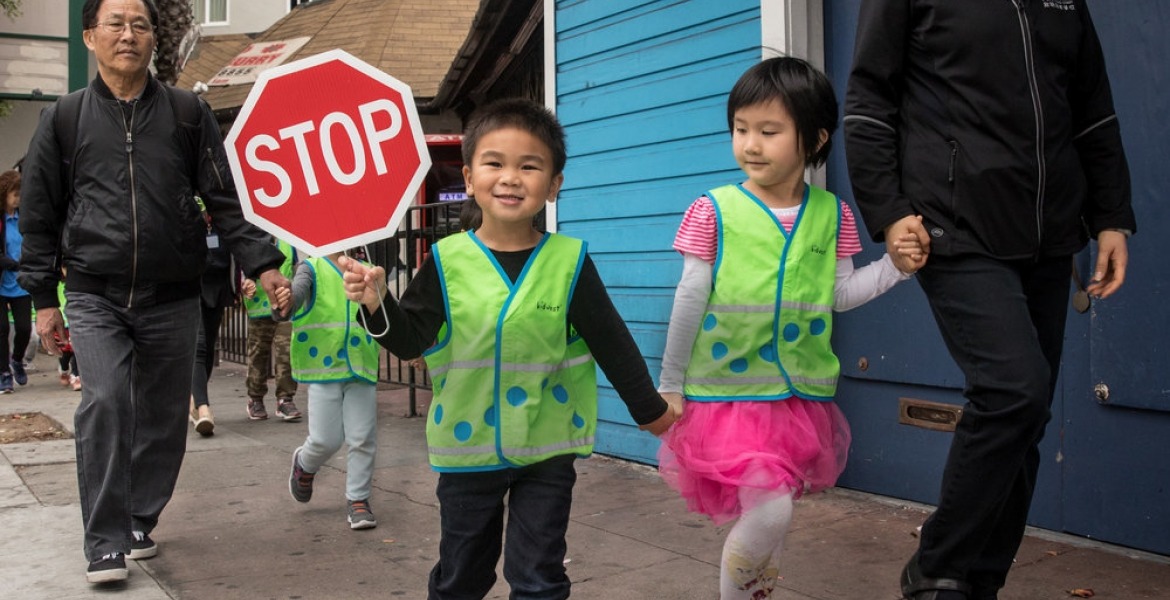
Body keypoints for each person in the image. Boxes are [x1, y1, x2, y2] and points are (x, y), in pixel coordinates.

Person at [843, 2, 1135, 599]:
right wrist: (890, 210)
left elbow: (1092, 109)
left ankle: (975, 583)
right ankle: (936, 569)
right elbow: (870, 99)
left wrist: (1110, 216)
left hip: (1049, 234)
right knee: (1013, 390)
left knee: (1026, 416)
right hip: (952, 224)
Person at [340, 97, 682, 600]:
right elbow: (408, 339)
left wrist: (649, 411)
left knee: (540, 578)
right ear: (470, 177)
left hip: (548, 448)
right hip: (467, 450)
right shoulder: (446, 261)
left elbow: (611, 340)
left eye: (529, 166)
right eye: (495, 163)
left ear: (554, 184)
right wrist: (375, 302)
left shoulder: (569, 261)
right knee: (462, 577)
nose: (510, 178)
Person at [17, 0, 290, 584]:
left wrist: (263, 262)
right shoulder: (64, 118)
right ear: (89, 36)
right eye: (115, 23)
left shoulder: (188, 114)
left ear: (153, 39)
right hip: (94, 292)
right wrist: (43, 300)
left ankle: (139, 517)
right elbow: (40, 215)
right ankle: (104, 539)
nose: (128, 34)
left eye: (139, 24)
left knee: (165, 418)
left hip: (173, 293)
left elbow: (225, 199)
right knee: (105, 401)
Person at [654, 57, 922, 600]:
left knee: (772, 520)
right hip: (728, 397)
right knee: (771, 512)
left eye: (768, 131)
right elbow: (689, 298)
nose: (750, 144)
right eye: (741, 129)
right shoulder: (713, 210)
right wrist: (670, 382)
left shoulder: (832, 213)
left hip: (794, 401)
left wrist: (896, 268)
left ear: (815, 138)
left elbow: (839, 295)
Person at [279, 251, 381, 530]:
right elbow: (297, 295)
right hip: (323, 367)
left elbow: (386, 311)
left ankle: (358, 499)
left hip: (361, 364)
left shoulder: (368, 269)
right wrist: (286, 301)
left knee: (362, 437)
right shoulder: (311, 268)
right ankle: (304, 463)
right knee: (325, 440)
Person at [240, 236, 301, 422]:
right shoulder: (250, 241)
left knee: (286, 351)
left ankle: (285, 399)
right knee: (258, 353)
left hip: (284, 306)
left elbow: (295, 271)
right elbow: (240, 272)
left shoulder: (288, 243)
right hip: (259, 307)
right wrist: (245, 284)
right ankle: (255, 398)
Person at [189, 216, 239, 436]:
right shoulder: (190, 217)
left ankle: (195, 400)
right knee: (198, 345)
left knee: (209, 346)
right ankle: (203, 408)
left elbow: (238, 248)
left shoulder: (222, 219)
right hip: (193, 286)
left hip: (219, 287)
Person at [0, 169, 31, 393]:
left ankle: (17, 360)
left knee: (24, 328)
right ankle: (3, 373)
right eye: (14, 194)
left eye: (21, 194)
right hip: (2, 283)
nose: (18, 198)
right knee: (1, 329)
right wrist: (9, 263)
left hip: (22, 283)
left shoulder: (25, 218)